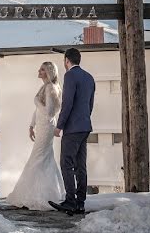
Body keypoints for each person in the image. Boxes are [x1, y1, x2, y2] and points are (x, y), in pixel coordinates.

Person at [6, 61, 65, 210]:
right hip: (41, 126)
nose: (39, 71)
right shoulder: (45, 86)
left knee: (38, 158)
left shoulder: (51, 88)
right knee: (45, 158)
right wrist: (31, 125)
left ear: (49, 72)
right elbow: (38, 111)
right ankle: (51, 193)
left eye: (42, 69)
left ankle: (38, 195)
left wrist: (36, 101)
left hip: (46, 127)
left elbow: (49, 112)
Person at [49, 47, 95, 215]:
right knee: (80, 166)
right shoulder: (89, 77)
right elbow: (90, 104)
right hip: (85, 127)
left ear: (67, 60)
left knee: (66, 163)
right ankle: (80, 203)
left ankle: (70, 201)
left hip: (73, 129)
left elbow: (67, 104)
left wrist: (60, 125)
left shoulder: (70, 76)